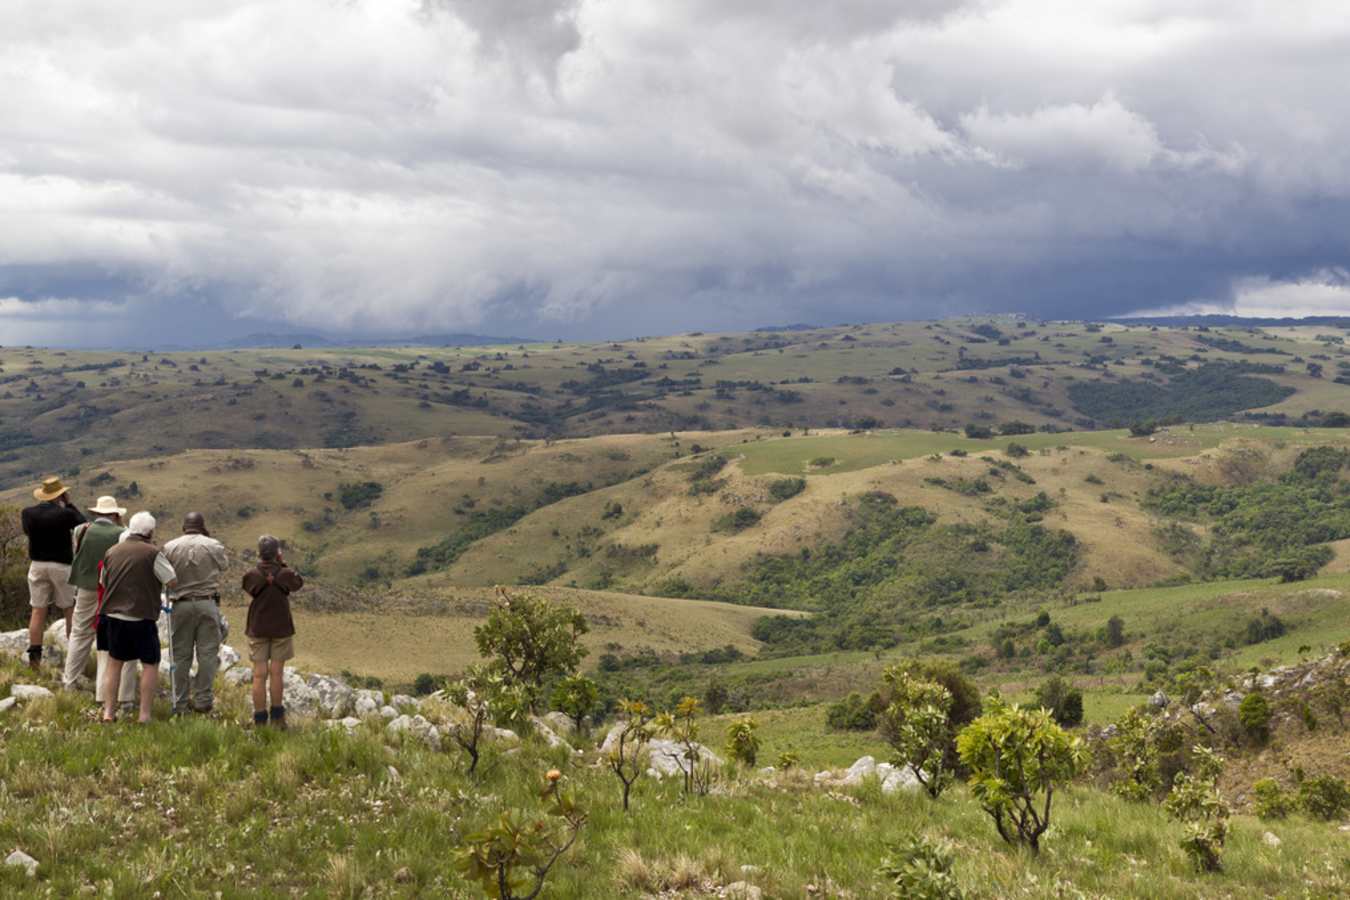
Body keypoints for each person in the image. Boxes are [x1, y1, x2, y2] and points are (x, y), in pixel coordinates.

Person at [100, 512, 176, 723]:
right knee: (150, 664)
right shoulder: (153, 553)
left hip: (114, 615)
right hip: (142, 617)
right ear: (150, 532)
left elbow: (104, 581)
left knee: (114, 662)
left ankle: (108, 713)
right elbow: (171, 580)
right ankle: (144, 715)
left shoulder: (111, 551)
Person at [63, 496, 138, 705]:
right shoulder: (122, 534)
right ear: (115, 514)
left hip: (86, 586)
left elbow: (77, 551)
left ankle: (70, 680)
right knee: (111, 635)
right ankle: (112, 689)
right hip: (113, 589)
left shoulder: (81, 530)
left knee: (80, 633)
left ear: (96, 513)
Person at [162, 512, 229, 715]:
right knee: (207, 654)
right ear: (202, 526)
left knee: (181, 656)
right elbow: (224, 565)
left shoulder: (170, 547)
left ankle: (180, 703)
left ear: (184, 526)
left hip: (180, 605)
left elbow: (164, 573)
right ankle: (203, 700)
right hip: (206, 603)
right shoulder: (213, 544)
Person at [21, 476, 86, 671]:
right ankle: (73, 657)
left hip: (37, 565)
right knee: (69, 609)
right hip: (62, 566)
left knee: (38, 609)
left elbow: (27, 532)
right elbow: (83, 524)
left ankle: (35, 656)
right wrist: (69, 503)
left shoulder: (28, 513)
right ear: (60, 494)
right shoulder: (65, 514)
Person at [241, 535, 303, 728]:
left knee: (259, 674)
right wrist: (282, 565)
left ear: (260, 553)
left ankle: (259, 719)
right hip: (281, 628)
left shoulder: (252, 574)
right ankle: (278, 717)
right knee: (277, 673)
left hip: (258, 627)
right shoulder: (285, 574)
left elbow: (249, 588)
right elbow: (298, 583)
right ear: (277, 553)